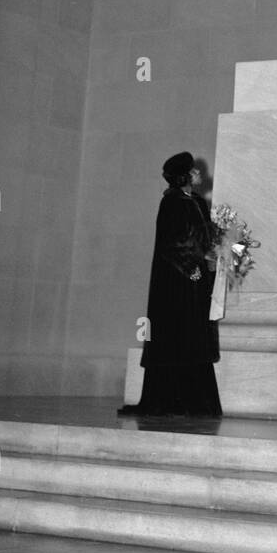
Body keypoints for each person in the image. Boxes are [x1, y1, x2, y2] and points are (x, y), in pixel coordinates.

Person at [118, 151, 222, 419]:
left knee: (193, 337)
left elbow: (201, 237)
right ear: (184, 176)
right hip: (176, 285)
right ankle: (171, 401)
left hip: (196, 283)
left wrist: (218, 250)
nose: (199, 173)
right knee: (177, 335)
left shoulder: (196, 201)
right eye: (194, 170)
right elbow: (172, 243)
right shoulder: (172, 202)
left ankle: (196, 402)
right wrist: (191, 268)